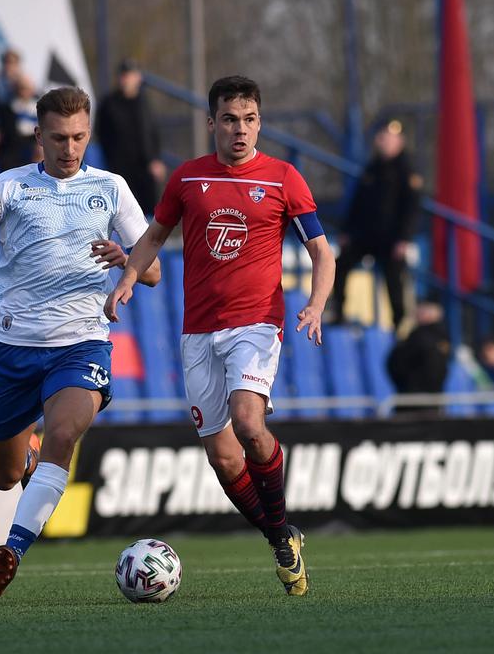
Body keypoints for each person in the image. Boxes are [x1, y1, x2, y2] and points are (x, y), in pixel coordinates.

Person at [109, 75, 335, 597]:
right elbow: (154, 236)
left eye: (250, 120)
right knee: (224, 457)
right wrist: (127, 277)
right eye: (230, 119)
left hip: (257, 322)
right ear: (211, 122)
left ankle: (280, 539)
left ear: (260, 122)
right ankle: (282, 536)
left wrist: (317, 304)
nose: (240, 130)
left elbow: (322, 251)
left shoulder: (283, 178)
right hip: (198, 331)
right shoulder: (188, 179)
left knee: (249, 424)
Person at [0, 86, 160, 600]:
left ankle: (12, 549)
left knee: (63, 434)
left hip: (82, 344)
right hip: (14, 350)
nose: (70, 147)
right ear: (39, 136)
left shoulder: (111, 187)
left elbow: (155, 271)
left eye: (79, 136)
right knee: (5, 473)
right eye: (59, 137)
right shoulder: (9, 186)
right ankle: (30, 465)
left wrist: (127, 256)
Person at [331, 119, 422, 331]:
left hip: (392, 238)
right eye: (382, 138)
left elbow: (411, 208)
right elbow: (357, 204)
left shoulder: (405, 171)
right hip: (366, 235)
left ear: (400, 141)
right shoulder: (371, 169)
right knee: (340, 263)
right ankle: (339, 311)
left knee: (394, 278)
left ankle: (399, 322)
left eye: (390, 138)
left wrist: (404, 238)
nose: (385, 142)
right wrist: (346, 232)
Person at [96, 59, 166, 214]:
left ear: (138, 77)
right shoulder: (108, 104)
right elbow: (102, 136)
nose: (126, 79)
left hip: (145, 169)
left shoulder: (144, 102)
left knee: (150, 214)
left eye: (130, 75)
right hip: (120, 170)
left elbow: (153, 132)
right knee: (123, 213)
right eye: (123, 75)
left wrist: (155, 159)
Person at [387, 301, 450, 411]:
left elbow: (397, 363)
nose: (416, 313)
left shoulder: (419, 337)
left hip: (413, 401)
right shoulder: (443, 338)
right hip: (434, 401)